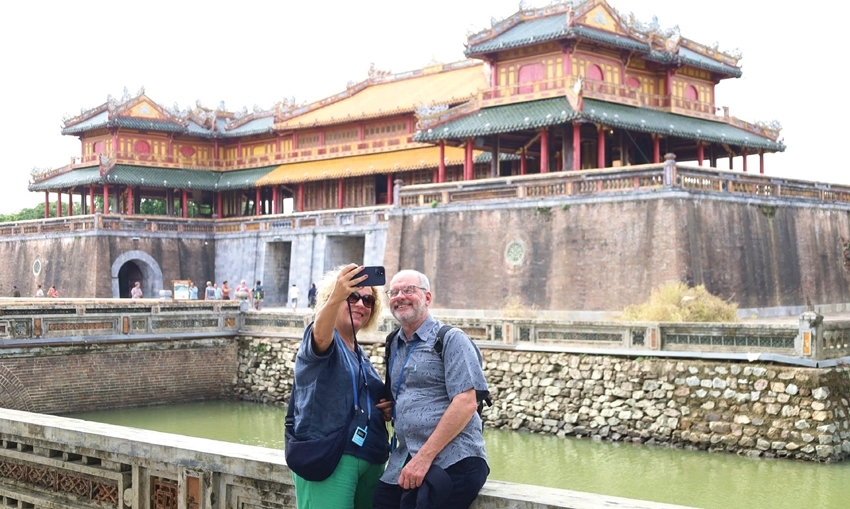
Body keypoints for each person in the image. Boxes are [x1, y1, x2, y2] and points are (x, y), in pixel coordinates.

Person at [372, 270, 489, 509]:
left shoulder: (450, 339)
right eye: (394, 292)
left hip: (453, 459)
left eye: (408, 290)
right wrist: (396, 408)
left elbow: (466, 402)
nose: (400, 296)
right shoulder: (393, 343)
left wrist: (424, 458)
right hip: (404, 459)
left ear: (427, 297)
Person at [290, 264, 391, 508]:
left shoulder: (359, 353)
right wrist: (337, 295)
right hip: (330, 458)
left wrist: (384, 408)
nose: (360, 304)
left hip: (371, 457)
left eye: (368, 300)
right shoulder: (324, 339)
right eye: (352, 296)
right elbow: (320, 335)